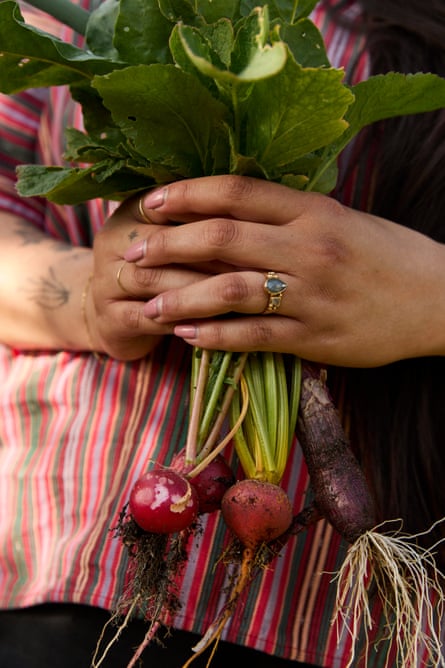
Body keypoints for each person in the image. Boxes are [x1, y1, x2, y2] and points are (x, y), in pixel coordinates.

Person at [0, 0, 444, 666]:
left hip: (354, 611)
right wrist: (97, 298)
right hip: (72, 556)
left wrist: (427, 296)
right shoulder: (75, 9)